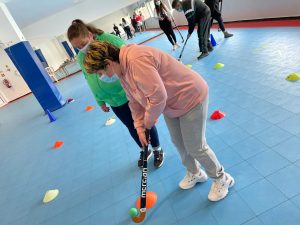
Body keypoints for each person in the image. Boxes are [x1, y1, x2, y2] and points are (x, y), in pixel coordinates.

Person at [83, 41, 235, 202]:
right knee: (178, 141)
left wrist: (147, 123)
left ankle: (221, 178)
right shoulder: (122, 71)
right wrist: (139, 127)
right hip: (172, 103)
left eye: (100, 72)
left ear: (108, 63)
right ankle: (195, 173)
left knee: (195, 146)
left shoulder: (135, 61)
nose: (103, 76)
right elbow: (133, 101)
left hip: (190, 96)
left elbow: (158, 97)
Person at [67, 20, 164, 168]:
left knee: (144, 123)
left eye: (83, 43)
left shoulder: (109, 40)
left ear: (90, 35)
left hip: (128, 92)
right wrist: (100, 100)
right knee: (131, 127)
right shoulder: (82, 56)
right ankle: (145, 150)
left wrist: (137, 87)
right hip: (113, 100)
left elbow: (128, 61)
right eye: (77, 47)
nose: (82, 49)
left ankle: (157, 149)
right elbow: (89, 78)